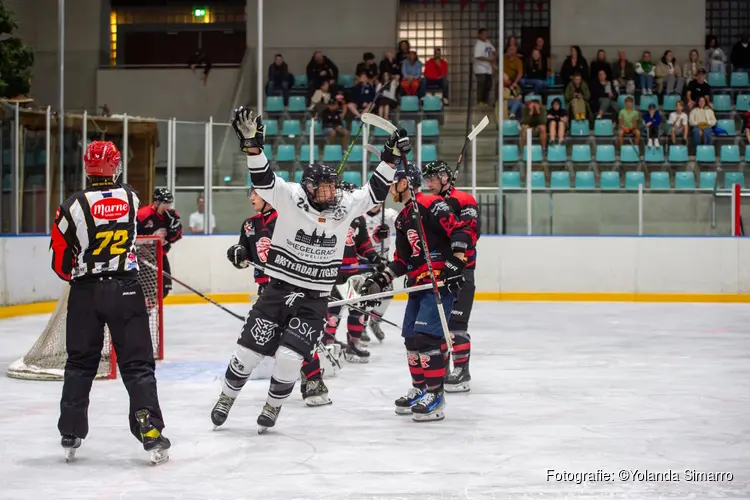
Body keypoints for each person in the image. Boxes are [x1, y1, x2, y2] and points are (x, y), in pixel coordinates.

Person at [210, 107, 408, 432]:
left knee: (290, 358)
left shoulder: (343, 204)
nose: (331, 194)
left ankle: (273, 406)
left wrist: (391, 156)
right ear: (309, 187)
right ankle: (227, 397)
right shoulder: (290, 195)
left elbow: (374, 191)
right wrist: (253, 146)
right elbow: (263, 179)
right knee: (247, 353)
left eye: (333, 187)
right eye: (324, 188)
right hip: (277, 291)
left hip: (315, 298)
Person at [50, 140, 169, 464]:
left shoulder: (71, 205)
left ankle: (71, 431)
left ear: (86, 168)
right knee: (137, 365)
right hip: (126, 289)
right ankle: (149, 428)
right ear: (115, 166)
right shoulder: (131, 197)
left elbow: (60, 264)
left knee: (79, 363)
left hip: (86, 293)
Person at [359, 163, 471, 422]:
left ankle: (435, 394)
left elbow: (461, 230)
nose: (389, 189)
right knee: (411, 337)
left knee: (425, 337)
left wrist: (456, 262)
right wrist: (381, 278)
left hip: (439, 283)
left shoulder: (431, 204)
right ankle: (420, 389)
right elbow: (402, 260)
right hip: (418, 284)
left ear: (405, 183)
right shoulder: (402, 217)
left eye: (393, 183)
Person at [228, 188, 332, 407]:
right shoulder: (250, 225)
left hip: (293, 289)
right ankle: (304, 377)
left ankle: (314, 379)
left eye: (256, 193)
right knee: (269, 339)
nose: (252, 198)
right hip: (267, 292)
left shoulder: (289, 220)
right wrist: (237, 254)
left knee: (296, 336)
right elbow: (243, 257)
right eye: (251, 194)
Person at [421, 160, 479, 393]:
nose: (428, 183)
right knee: (438, 325)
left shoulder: (464, 200)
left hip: (461, 270)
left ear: (445, 177)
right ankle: (442, 367)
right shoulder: (431, 203)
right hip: (436, 271)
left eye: (432, 178)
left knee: (456, 322)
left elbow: (471, 232)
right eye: (426, 179)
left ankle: (462, 370)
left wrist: (456, 258)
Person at [324, 187, 383, 361]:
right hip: (331, 272)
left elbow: (363, 243)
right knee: (332, 310)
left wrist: (373, 256)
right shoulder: (327, 215)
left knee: (358, 308)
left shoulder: (358, 219)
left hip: (352, 273)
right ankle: (328, 344)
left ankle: (354, 344)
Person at [363, 203, 399, 342]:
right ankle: (362, 325)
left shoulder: (388, 214)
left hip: (382, 260)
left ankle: (375, 321)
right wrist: (374, 238)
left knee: (388, 292)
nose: (375, 204)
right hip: (363, 259)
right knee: (364, 293)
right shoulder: (360, 215)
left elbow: (401, 223)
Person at [137, 188, 182, 298]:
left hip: (161, 255)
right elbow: (130, 234)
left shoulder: (172, 216)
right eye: (165, 203)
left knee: (164, 289)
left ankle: (150, 308)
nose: (168, 206)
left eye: (169, 203)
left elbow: (174, 239)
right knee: (147, 289)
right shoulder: (143, 215)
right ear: (156, 202)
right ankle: (145, 311)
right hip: (143, 257)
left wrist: (173, 231)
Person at [473, 28, 497, 106]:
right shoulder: (478, 44)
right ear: (479, 35)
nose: (485, 35)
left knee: (488, 84)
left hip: (488, 68)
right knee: (482, 83)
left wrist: (493, 60)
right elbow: (478, 56)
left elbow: (493, 51)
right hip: (480, 68)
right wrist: (488, 59)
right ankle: (480, 101)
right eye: (483, 34)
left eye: (486, 34)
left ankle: (485, 100)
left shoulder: (488, 42)